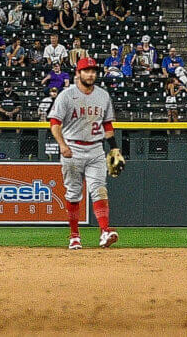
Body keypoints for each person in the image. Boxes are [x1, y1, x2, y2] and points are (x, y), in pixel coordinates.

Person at [48, 55, 120, 249]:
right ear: (78, 73)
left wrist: (113, 147)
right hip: (73, 148)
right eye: (86, 71)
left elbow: (107, 124)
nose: (90, 74)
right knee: (73, 194)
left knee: (99, 189)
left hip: (96, 148)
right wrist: (62, 145)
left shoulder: (103, 95)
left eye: (93, 71)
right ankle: (74, 236)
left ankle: (105, 232)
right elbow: (54, 123)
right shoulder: (66, 95)